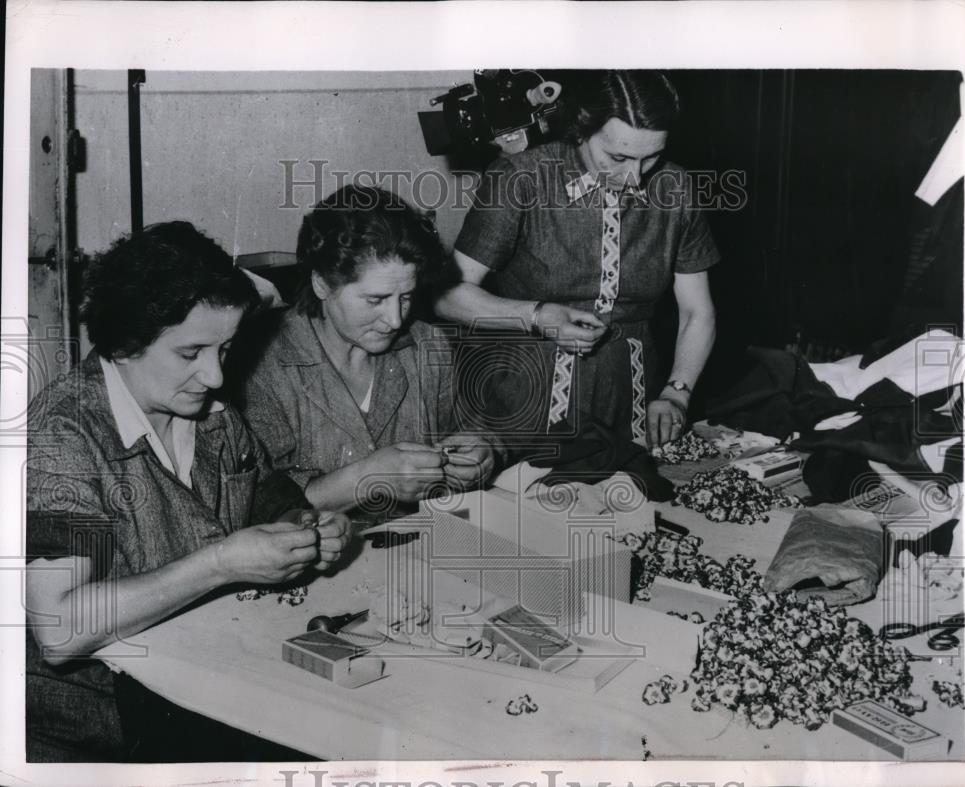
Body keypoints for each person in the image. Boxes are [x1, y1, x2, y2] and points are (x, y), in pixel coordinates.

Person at [24, 221, 351, 762]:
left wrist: (304, 527)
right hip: (103, 730)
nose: (216, 376)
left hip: (201, 681)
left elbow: (263, 489)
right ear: (126, 343)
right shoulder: (67, 439)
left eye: (224, 348)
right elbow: (60, 629)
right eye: (191, 352)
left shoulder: (210, 415)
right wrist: (220, 563)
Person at [436, 70, 719, 456]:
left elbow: (696, 312)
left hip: (632, 401)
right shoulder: (524, 177)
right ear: (582, 128)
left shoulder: (676, 188)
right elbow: (447, 297)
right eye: (617, 157)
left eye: (651, 157)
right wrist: (538, 316)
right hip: (524, 401)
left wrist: (677, 392)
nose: (633, 178)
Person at [240, 185, 499, 519]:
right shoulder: (263, 366)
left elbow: (467, 430)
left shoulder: (427, 345)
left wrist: (483, 452)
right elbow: (254, 504)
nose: (394, 319)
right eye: (375, 300)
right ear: (322, 284)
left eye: (406, 297)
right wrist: (367, 478)